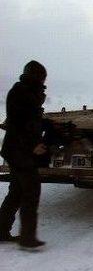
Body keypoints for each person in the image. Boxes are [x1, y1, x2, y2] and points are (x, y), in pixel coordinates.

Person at [0, 60, 49, 249]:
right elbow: (20, 125)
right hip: (21, 151)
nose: (44, 81)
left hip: (16, 150)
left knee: (16, 191)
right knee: (31, 192)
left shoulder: (25, 91)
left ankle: (1, 230)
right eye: (42, 77)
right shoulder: (23, 93)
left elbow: (30, 121)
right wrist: (33, 146)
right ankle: (28, 238)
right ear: (37, 77)